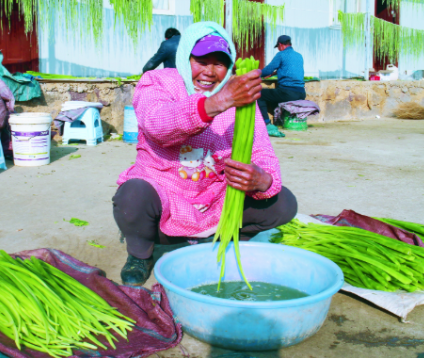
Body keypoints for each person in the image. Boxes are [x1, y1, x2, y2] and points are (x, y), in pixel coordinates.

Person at [113, 22, 298, 286]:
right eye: (201, 60)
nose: (209, 72)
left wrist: (262, 180)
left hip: (216, 203)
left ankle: (227, 241)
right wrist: (217, 102)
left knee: (283, 202)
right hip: (167, 198)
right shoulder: (159, 81)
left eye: (219, 63)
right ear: (185, 55)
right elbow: (157, 125)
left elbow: (261, 150)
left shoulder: (241, 96)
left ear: (230, 65)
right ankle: (140, 254)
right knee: (132, 196)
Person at [258, 35, 306, 138]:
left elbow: (267, 70)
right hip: (301, 93)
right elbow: (290, 70)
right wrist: (275, 73)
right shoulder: (299, 56)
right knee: (275, 95)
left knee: (259, 94)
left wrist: (255, 73)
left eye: (278, 47)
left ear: (280, 45)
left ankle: (267, 123)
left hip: (288, 92)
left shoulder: (281, 55)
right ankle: (278, 121)